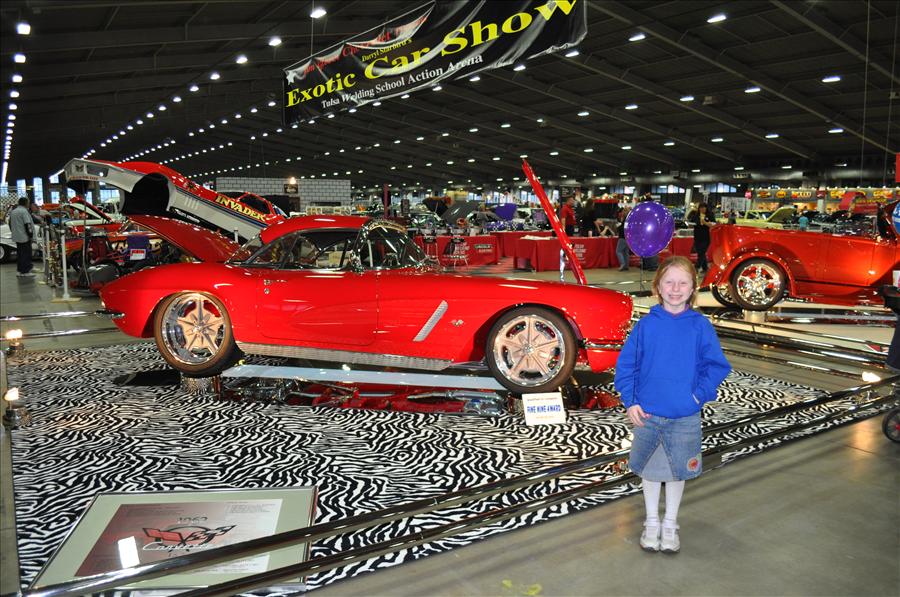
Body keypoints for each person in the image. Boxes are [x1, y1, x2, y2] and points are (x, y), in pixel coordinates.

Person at [614, 256, 731, 553]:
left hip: (684, 415)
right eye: (669, 282)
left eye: (682, 283)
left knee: (678, 471)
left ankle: (670, 523)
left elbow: (716, 366)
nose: (675, 289)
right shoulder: (645, 326)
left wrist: (698, 395)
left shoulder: (700, 326)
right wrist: (630, 400)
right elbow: (626, 366)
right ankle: (652, 521)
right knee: (651, 471)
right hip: (648, 413)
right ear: (658, 287)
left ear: (693, 288)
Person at [9, 196, 36, 278]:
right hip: (24, 237)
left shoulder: (14, 211)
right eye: (28, 202)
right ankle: (25, 271)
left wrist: (14, 232)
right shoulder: (24, 211)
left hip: (17, 236)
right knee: (26, 254)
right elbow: (28, 224)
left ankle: (19, 270)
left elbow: (10, 223)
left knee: (20, 254)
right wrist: (31, 235)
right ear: (25, 203)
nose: (29, 204)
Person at [689, 203, 714, 272]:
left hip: (706, 237)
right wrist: (690, 225)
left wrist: (705, 223)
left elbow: (713, 224)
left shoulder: (710, 215)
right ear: (699, 208)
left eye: (704, 207)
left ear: (706, 208)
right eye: (701, 207)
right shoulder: (696, 216)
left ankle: (696, 267)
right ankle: (705, 268)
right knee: (700, 253)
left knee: (702, 252)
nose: (702, 209)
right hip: (697, 237)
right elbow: (691, 223)